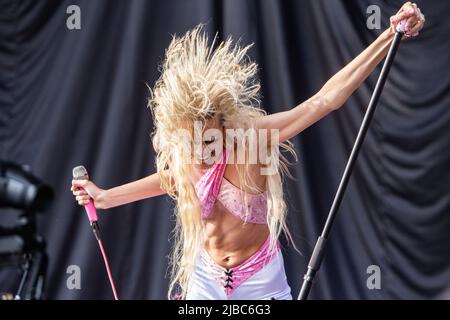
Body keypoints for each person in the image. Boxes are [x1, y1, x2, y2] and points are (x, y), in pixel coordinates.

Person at [71, 2, 425, 300]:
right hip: (205, 282)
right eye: (193, 142)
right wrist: (104, 198)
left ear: (223, 125)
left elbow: (322, 102)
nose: (201, 151)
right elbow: (168, 181)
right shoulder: (184, 150)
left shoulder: (250, 139)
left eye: (208, 139)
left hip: (261, 282)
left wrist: (387, 36)